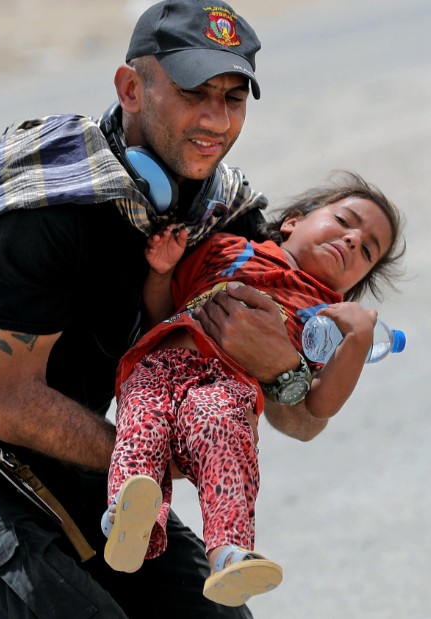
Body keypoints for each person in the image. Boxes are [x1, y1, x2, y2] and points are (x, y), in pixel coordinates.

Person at [0, 1, 324, 617]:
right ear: (132, 88)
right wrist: (157, 454)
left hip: (70, 443)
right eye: (194, 93)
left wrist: (287, 369)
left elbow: (302, 421)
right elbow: (9, 404)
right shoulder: (45, 205)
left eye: (234, 98)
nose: (216, 119)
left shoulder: (218, 213)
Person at [100, 172, 406, 607]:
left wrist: (356, 340)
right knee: (142, 422)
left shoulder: (324, 320)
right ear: (293, 222)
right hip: (160, 363)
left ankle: (229, 553)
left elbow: (318, 406)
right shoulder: (227, 248)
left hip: (226, 388)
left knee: (226, 438)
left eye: (368, 250)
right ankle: (130, 518)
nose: (355, 240)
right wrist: (161, 271)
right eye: (344, 220)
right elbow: (160, 310)